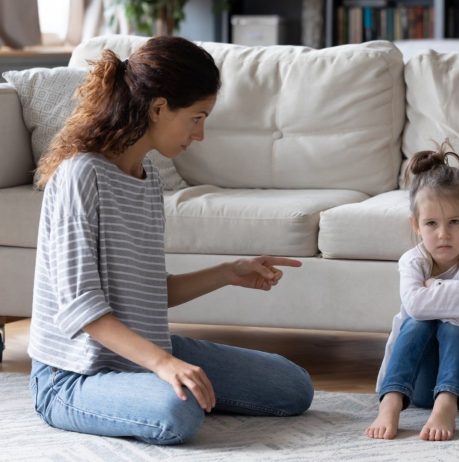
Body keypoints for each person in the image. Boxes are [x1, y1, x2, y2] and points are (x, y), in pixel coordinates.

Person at [28, 36, 314, 445]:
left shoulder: (147, 181)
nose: (200, 134)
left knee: (292, 387)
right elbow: (81, 311)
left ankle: (150, 384)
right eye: (197, 117)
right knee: (177, 410)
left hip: (136, 354)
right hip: (72, 376)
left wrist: (229, 272)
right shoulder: (81, 176)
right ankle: (150, 388)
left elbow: (150, 292)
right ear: (159, 108)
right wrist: (164, 364)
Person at [365, 143, 459, 442]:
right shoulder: (412, 261)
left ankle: (446, 403)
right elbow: (416, 306)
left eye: (455, 222)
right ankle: (391, 401)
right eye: (431, 223)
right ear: (416, 225)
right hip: (416, 387)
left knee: (458, 326)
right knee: (418, 321)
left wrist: (437, 287)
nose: (443, 234)